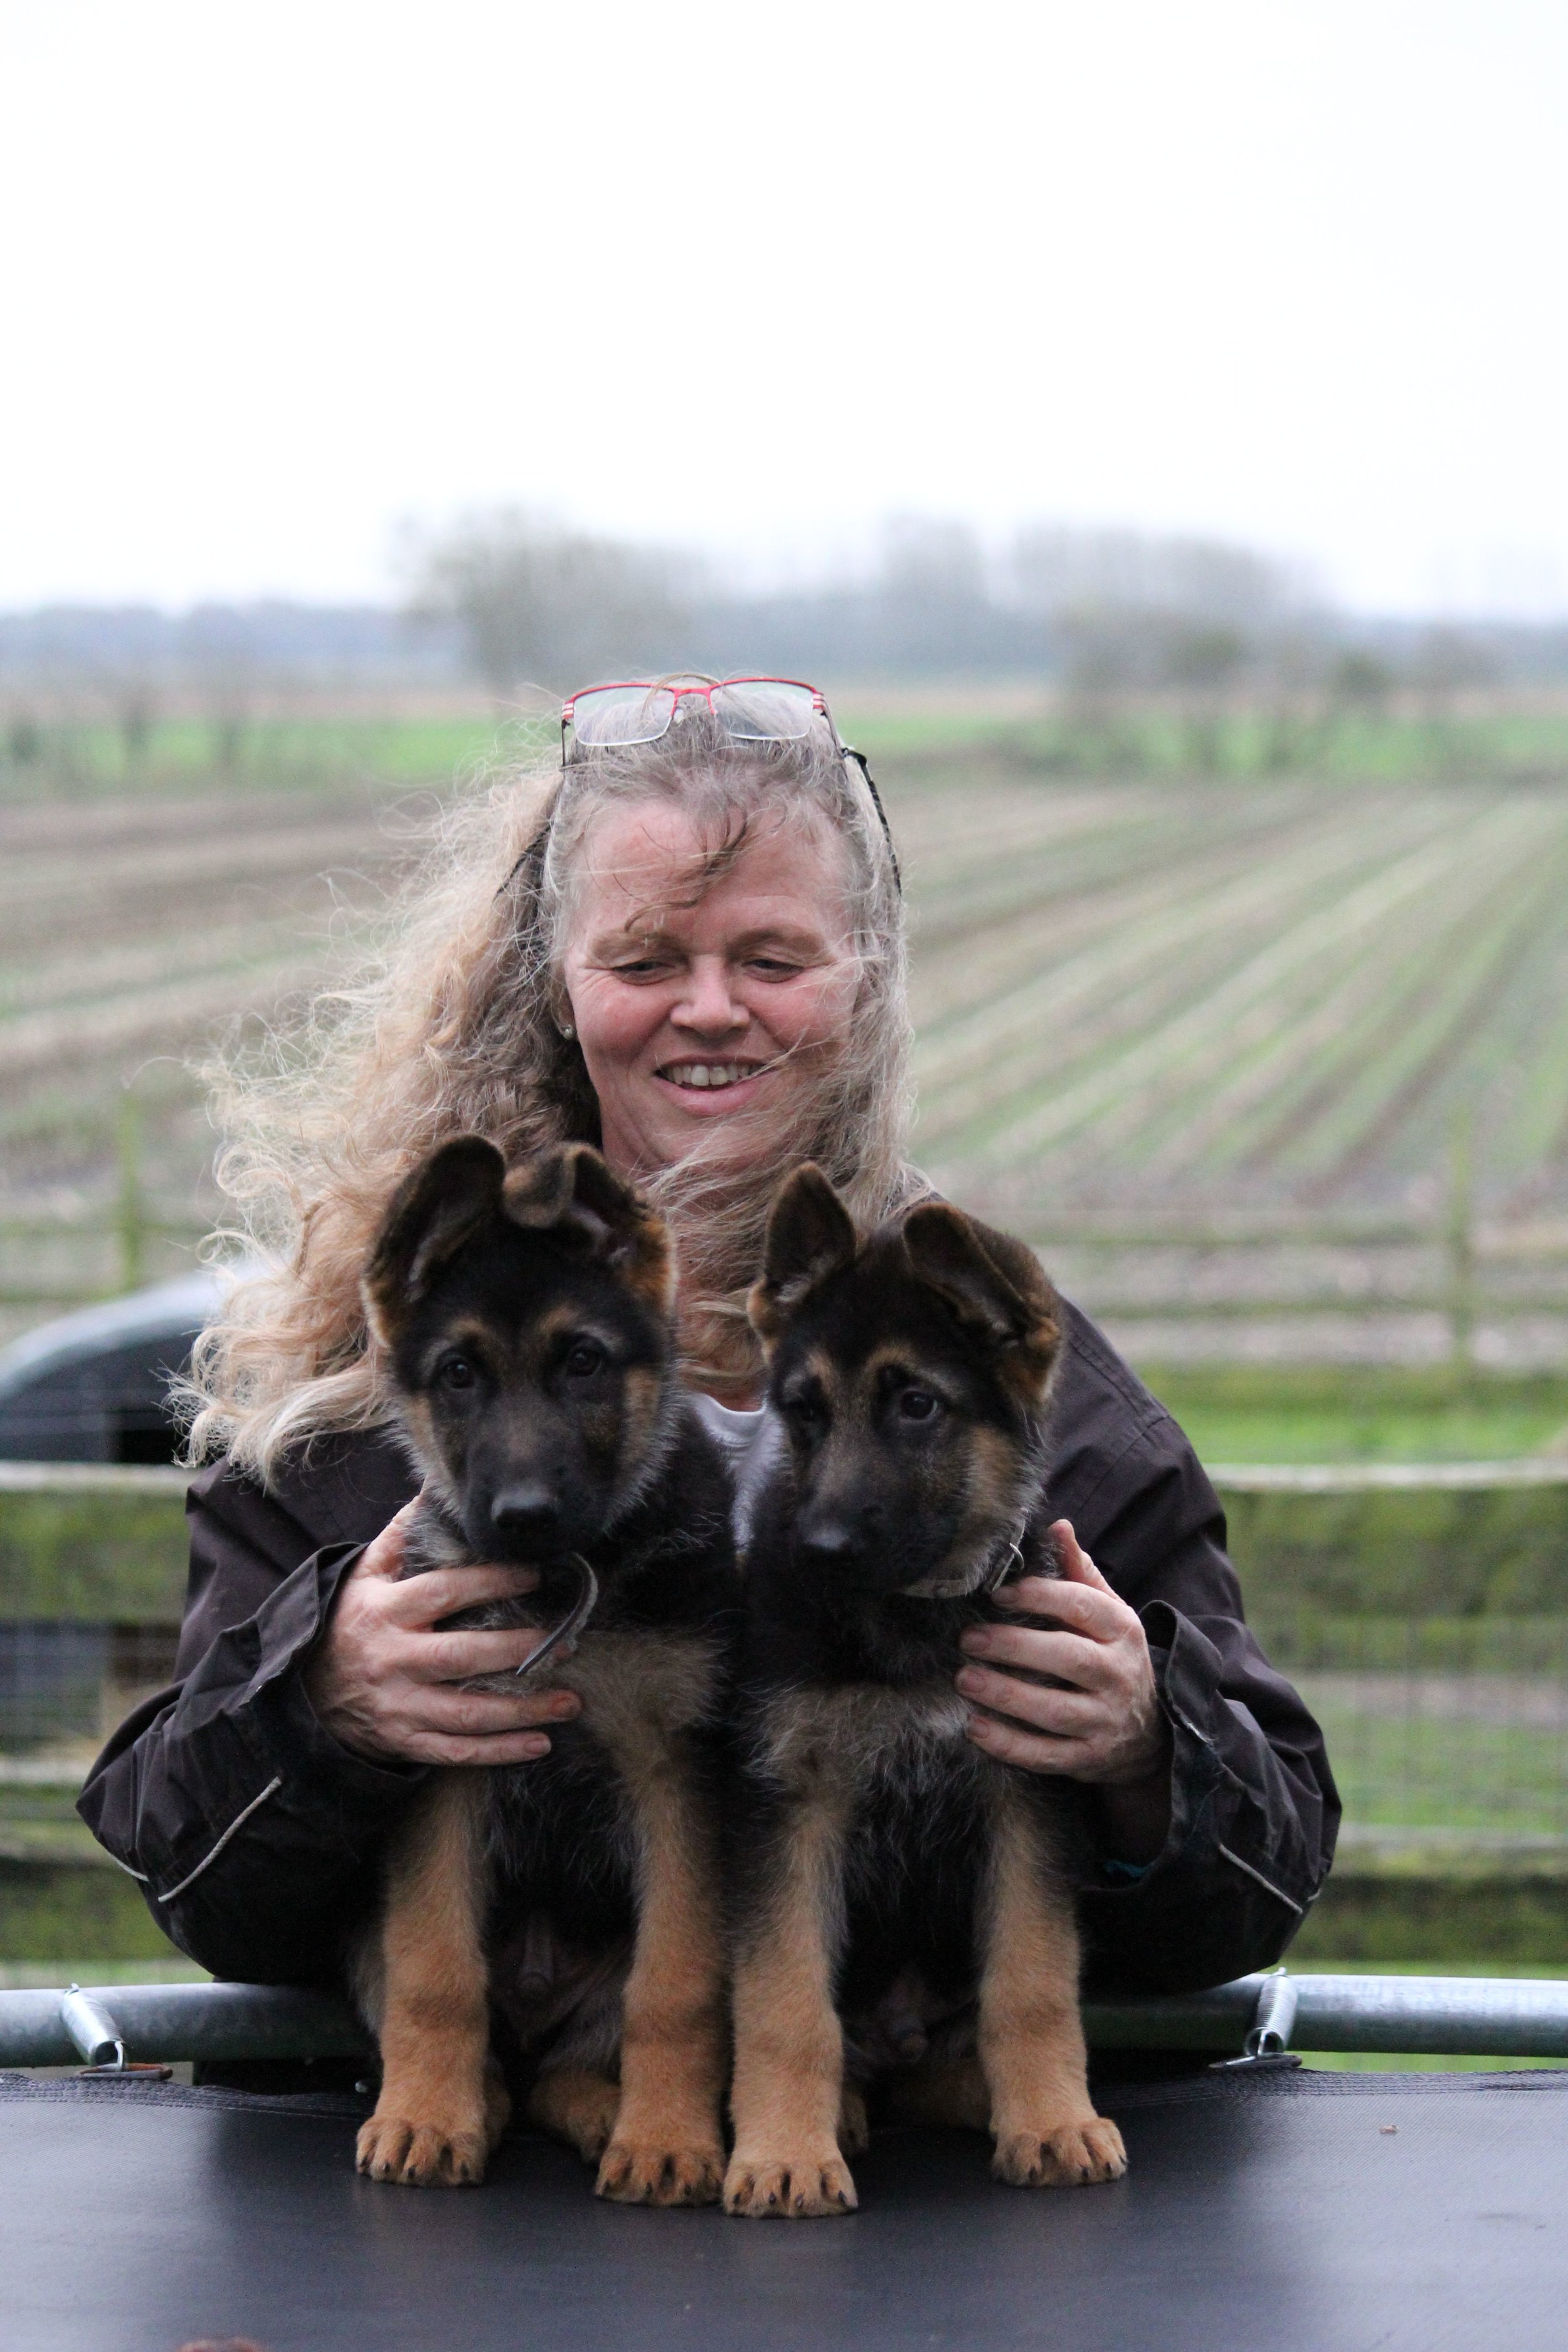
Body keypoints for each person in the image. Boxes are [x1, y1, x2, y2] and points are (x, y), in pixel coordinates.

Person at [79, 676, 1337, 2004]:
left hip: (895, 2178)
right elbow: (191, 1877)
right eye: (644, 961)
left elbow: (1267, 1876)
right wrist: (318, 1708)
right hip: (491, 2181)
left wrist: (1147, 1754)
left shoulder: (1011, 1387)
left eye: (772, 960)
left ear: (862, 982)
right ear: (558, 986)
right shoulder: (373, 1375)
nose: (711, 1008)